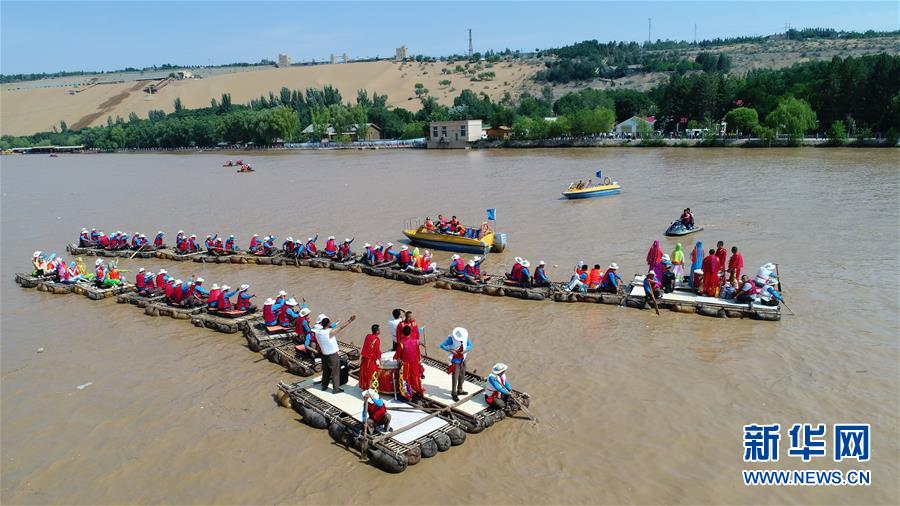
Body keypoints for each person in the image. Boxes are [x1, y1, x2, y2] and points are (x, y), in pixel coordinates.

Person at [315, 314, 356, 394]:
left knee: (326, 372)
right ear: (328, 324)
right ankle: (336, 389)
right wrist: (349, 321)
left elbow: (329, 328)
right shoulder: (330, 332)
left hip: (324, 355)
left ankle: (324, 386)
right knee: (335, 372)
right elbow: (340, 328)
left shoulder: (318, 333)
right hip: (332, 356)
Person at [440, 327, 472, 401]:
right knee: (455, 377)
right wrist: (450, 350)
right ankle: (454, 393)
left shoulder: (465, 337)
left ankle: (460, 389)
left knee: (462, 375)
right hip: (455, 361)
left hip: (463, 359)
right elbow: (442, 345)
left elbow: (470, 345)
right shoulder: (451, 338)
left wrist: (466, 350)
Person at [394, 325, 424, 400]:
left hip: (406, 364)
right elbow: (418, 352)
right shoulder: (415, 341)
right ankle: (419, 391)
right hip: (415, 363)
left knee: (405, 379)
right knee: (416, 377)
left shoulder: (401, 343)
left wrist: (397, 360)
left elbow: (398, 354)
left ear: (403, 333)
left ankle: (408, 395)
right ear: (410, 332)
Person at [358, 324, 382, 390]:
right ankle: (370, 389)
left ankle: (364, 387)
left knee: (364, 373)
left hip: (365, 359)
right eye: (379, 329)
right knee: (371, 374)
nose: (380, 331)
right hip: (370, 361)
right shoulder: (377, 340)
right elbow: (376, 351)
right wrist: (380, 361)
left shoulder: (368, 336)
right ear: (377, 331)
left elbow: (366, 347)